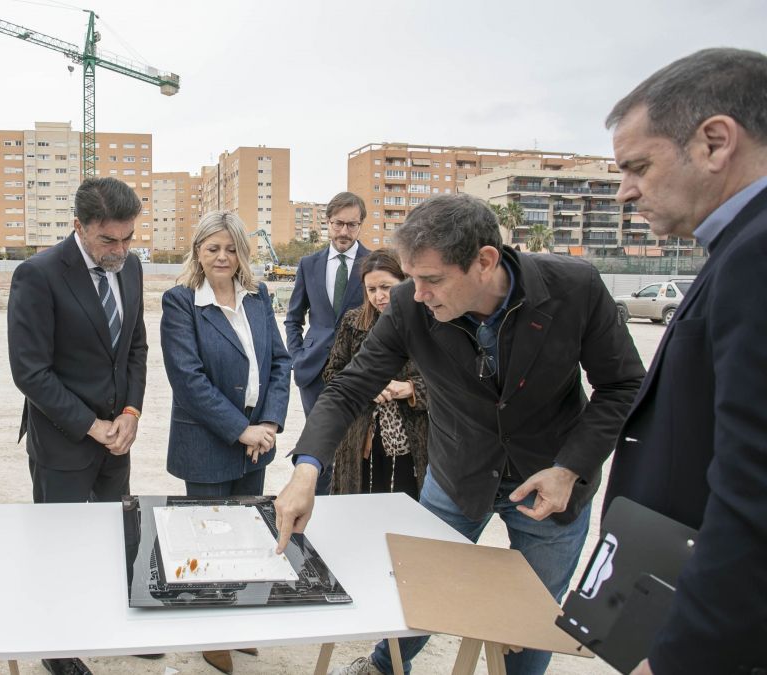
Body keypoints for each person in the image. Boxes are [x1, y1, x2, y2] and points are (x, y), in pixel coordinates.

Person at [275, 193, 645, 675]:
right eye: (413, 278)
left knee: (530, 618)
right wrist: (307, 469)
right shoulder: (410, 303)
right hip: (455, 474)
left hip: (552, 482)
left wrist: (570, 468)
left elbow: (623, 384)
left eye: (432, 279)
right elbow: (349, 388)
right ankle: (385, 666)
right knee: (421, 590)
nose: (418, 293)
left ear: (485, 261)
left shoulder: (575, 288)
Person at [603, 48, 767, 675]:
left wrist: (684, 654)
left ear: (715, 141)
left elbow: (754, 488)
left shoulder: (757, 253)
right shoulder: (736, 245)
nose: (625, 192)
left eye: (638, 166)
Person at [7, 177, 149, 675]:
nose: (121, 249)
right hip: (65, 439)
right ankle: (58, 646)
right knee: (61, 548)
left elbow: (135, 347)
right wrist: (91, 425)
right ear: (78, 226)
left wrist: (130, 414)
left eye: (129, 237)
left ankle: (116, 623)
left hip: (118, 439)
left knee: (115, 538)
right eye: (109, 240)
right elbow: (30, 371)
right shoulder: (38, 274)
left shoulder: (129, 268)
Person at [160, 211, 291, 674]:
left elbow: (280, 361)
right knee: (206, 546)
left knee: (250, 540)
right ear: (197, 250)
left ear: (242, 253)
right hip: (210, 443)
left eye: (231, 248)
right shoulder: (180, 303)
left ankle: (237, 627)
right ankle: (210, 635)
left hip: (257, 442)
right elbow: (188, 379)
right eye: (213, 247)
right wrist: (241, 428)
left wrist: (270, 423)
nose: (222, 256)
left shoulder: (257, 297)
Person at [321, 249, 428, 499]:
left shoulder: (428, 321)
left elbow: (449, 383)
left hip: (415, 441)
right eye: (371, 290)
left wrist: (411, 389)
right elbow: (332, 374)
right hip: (360, 439)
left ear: (405, 282)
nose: (379, 296)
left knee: (407, 515)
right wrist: (366, 387)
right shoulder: (353, 322)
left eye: (386, 287)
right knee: (361, 510)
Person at [285, 192, 370, 494]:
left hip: (358, 371)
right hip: (314, 371)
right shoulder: (309, 264)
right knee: (319, 443)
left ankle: (346, 508)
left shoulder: (372, 263)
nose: (344, 232)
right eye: (338, 224)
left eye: (351, 225)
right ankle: (315, 508)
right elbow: (293, 318)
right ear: (328, 223)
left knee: (353, 447)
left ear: (361, 225)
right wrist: (297, 355)